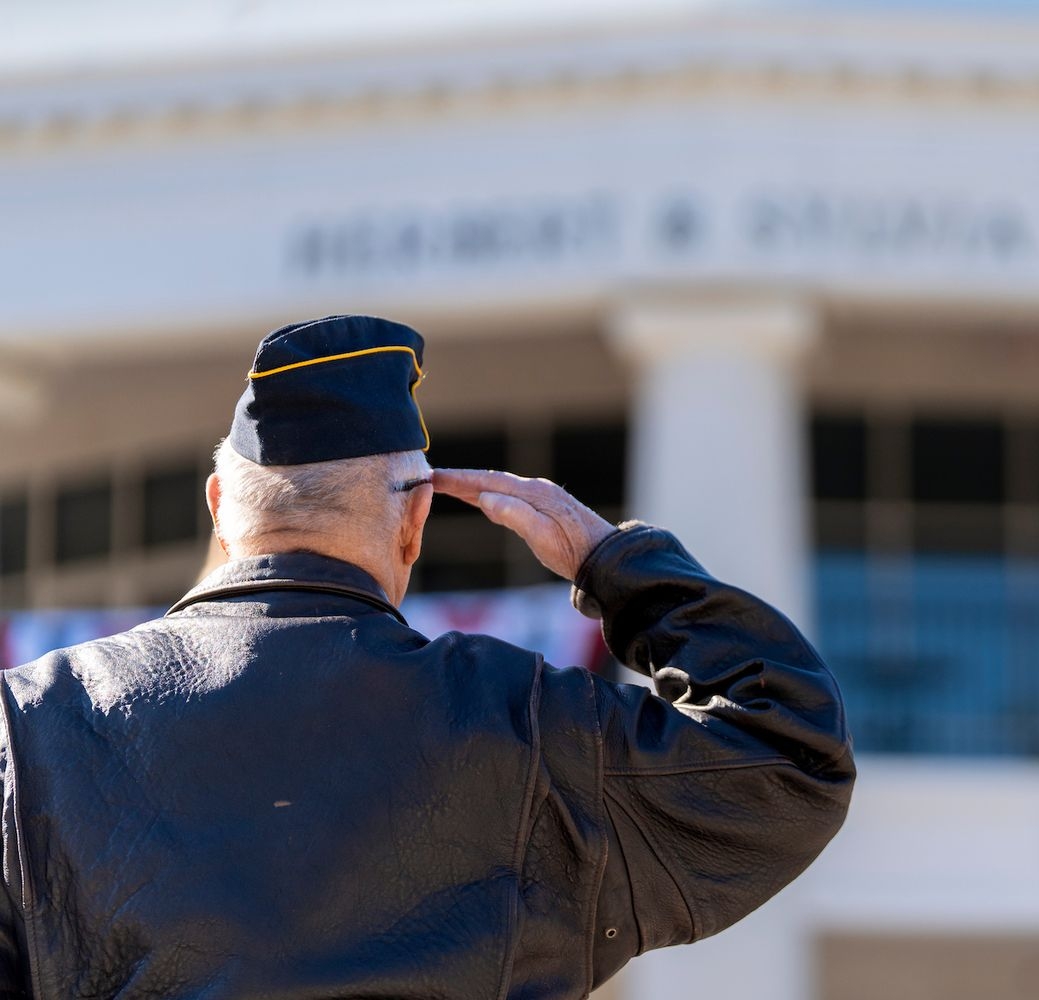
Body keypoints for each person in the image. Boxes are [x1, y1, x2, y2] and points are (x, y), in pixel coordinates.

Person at [0, 315, 854, 998]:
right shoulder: (520, 718)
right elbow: (791, 757)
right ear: (413, 524)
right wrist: (614, 563)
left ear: (219, 506)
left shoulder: (28, 721)